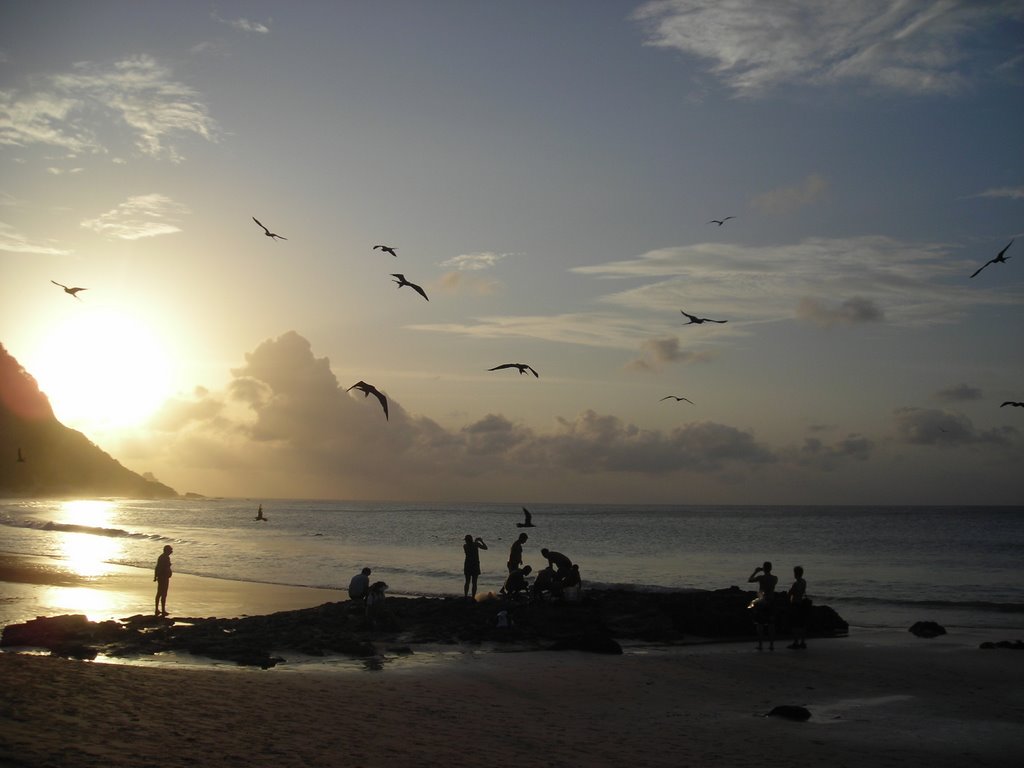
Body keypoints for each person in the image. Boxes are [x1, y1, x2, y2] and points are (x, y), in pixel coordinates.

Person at [748, 561, 779, 651]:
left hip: (762, 602)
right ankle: (771, 645)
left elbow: (750, 580)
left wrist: (756, 571)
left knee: (760, 624)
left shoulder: (761, 577)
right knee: (771, 624)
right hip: (771, 602)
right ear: (771, 568)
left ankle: (761, 645)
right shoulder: (775, 578)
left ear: (763, 568)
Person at [787, 565, 809, 650]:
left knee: (795, 624)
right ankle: (802, 642)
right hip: (802, 604)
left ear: (795, 574)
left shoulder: (796, 584)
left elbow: (790, 594)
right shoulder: (804, 582)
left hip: (796, 604)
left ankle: (796, 642)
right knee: (802, 624)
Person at [153, 545, 173, 616]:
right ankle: (162, 610)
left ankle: (157, 609)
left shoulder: (163, 557)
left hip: (162, 577)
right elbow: (159, 567)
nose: (171, 551)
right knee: (163, 594)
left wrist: (155, 576)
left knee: (160, 593)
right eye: (170, 550)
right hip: (163, 578)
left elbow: (157, 567)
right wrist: (156, 576)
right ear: (166, 550)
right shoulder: (164, 557)